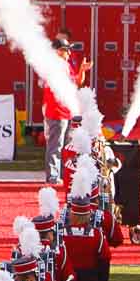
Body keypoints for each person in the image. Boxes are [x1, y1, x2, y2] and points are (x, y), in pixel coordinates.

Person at [40, 36, 88, 185]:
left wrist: (82, 69)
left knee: (64, 146)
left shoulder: (65, 65)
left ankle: (61, 174)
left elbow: (78, 83)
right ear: (58, 51)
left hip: (66, 111)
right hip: (57, 111)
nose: (69, 52)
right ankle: (53, 176)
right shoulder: (55, 65)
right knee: (56, 145)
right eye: (66, 49)